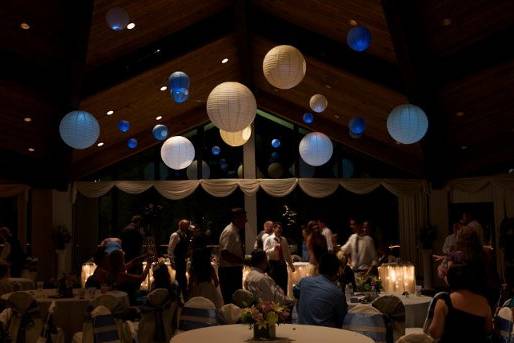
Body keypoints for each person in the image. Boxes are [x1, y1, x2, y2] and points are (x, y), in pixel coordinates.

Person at [428, 264, 492, 342]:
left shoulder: (443, 302)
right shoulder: (483, 301)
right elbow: (489, 330)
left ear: (450, 280)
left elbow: (435, 333)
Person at [297, 253, 347, 328]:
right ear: (336, 271)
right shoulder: (337, 293)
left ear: (319, 267)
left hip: (302, 331)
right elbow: (341, 319)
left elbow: (296, 294)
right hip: (326, 335)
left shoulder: (304, 282)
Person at [218, 208, 246, 304]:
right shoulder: (230, 232)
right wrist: (242, 261)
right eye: (244, 218)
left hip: (233, 270)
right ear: (236, 218)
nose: (246, 221)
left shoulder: (235, 231)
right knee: (231, 301)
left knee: (236, 299)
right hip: (229, 272)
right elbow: (225, 254)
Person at [189, 242, 223, 308]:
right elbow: (216, 281)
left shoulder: (194, 268)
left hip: (197, 288)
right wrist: (212, 288)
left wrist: (190, 289)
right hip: (209, 287)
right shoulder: (209, 267)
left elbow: (190, 282)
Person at [263, 222, 295, 293]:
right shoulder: (268, 239)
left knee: (284, 284)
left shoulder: (284, 240)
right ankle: (274, 303)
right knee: (274, 285)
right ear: (274, 229)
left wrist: (291, 265)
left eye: (281, 228)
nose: (280, 230)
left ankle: (285, 301)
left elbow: (287, 253)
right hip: (273, 265)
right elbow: (264, 252)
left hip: (282, 264)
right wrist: (273, 249)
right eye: (278, 228)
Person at [167, 219, 194, 299]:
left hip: (182, 260)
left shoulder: (184, 235)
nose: (188, 227)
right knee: (179, 279)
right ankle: (178, 297)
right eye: (186, 225)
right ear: (181, 225)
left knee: (182, 278)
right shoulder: (175, 235)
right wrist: (172, 261)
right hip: (178, 260)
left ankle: (181, 297)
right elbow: (170, 249)